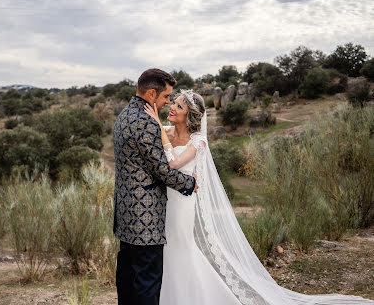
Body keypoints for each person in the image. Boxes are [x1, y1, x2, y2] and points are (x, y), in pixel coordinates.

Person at [143, 88, 374, 305]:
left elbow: (173, 163)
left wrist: (160, 131)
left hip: (182, 204)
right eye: (173, 102)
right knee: (165, 250)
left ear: (190, 115)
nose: (172, 107)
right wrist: (161, 129)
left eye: (179, 106)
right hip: (161, 203)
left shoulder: (198, 141)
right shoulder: (166, 130)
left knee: (180, 246)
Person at [112, 68, 198, 305]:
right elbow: (162, 170)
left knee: (127, 280)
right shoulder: (145, 123)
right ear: (151, 94)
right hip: (145, 222)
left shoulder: (124, 116)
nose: (168, 102)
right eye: (166, 97)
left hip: (126, 217)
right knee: (147, 285)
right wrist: (189, 183)